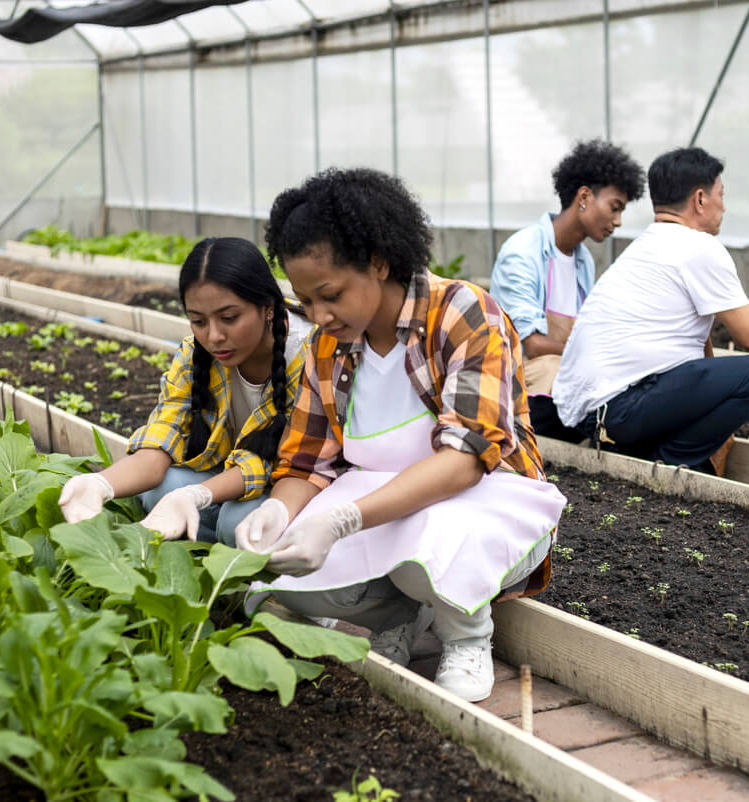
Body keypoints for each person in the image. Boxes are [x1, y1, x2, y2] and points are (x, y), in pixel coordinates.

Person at [234, 167, 565, 703]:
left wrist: (343, 520)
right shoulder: (329, 347)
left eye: (331, 294)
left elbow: (464, 460)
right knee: (282, 580)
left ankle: (466, 636)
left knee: (423, 534)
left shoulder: (461, 313)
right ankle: (402, 618)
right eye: (306, 301)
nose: (318, 315)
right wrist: (278, 512)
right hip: (387, 507)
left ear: (379, 263)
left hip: (485, 503)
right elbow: (305, 463)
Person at [551, 146, 749, 474]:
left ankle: (641, 448)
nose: (724, 206)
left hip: (589, 416)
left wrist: (720, 387)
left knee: (741, 378)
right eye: (722, 194)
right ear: (700, 199)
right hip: (622, 410)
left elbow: (692, 346)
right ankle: (667, 459)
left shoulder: (645, 247)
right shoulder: (697, 247)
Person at [58, 237, 313, 545]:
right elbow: (163, 438)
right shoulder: (196, 353)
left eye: (229, 318)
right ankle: (216, 547)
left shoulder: (307, 354)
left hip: (291, 484)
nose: (214, 336)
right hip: (231, 476)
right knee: (162, 487)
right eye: (198, 321)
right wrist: (100, 483)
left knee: (236, 521)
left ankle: (236, 548)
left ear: (268, 309)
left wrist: (198, 495)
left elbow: (269, 463)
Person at [490, 139, 645, 442]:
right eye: (614, 208)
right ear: (584, 196)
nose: (618, 221)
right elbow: (532, 346)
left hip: (562, 378)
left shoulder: (582, 261)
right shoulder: (523, 252)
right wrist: (598, 355)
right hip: (522, 386)